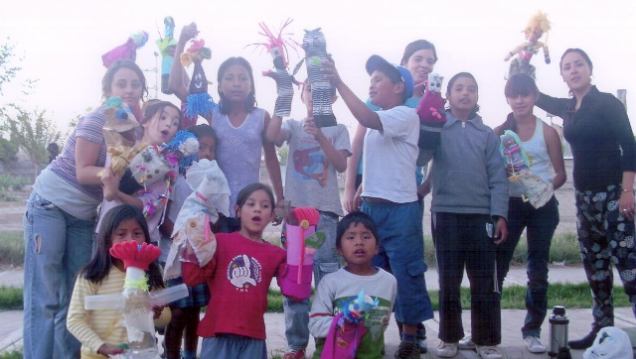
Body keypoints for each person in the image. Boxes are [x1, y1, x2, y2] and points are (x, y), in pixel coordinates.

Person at [23, 59, 147, 359]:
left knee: (74, 299)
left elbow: (130, 183)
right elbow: (82, 171)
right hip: (49, 206)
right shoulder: (96, 120)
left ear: (143, 89)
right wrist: (107, 177)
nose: (129, 90)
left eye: (135, 84)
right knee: (46, 298)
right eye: (121, 84)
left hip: (82, 217)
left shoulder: (133, 132)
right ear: (108, 90)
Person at [322, 54, 430, 359]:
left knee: (406, 275)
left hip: (401, 211)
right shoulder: (378, 120)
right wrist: (358, 190)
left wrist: (339, 81)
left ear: (398, 87)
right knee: (372, 274)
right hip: (371, 209)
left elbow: (367, 118)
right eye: (370, 80)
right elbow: (371, 158)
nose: (372, 84)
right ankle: (372, 337)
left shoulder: (404, 116)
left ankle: (409, 338)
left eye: (378, 80)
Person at [535, 48, 636, 350]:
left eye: (579, 64)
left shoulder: (607, 103)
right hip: (584, 200)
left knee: (629, 268)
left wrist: (628, 191)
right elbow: (537, 97)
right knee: (596, 268)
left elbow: (630, 145)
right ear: (563, 75)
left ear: (590, 69)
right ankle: (602, 330)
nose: (573, 70)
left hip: (614, 197)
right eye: (567, 67)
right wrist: (521, 65)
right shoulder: (568, 108)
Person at [422, 72, 509, 359]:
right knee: (448, 280)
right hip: (445, 214)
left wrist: (500, 215)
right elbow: (422, 158)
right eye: (458, 88)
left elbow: (498, 177)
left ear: (477, 97)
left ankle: (486, 339)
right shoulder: (438, 125)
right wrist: (428, 120)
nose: (465, 93)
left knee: (484, 281)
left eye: (471, 89)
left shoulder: (486, 135)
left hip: (481, 217)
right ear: (447, 94)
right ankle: (449, 338)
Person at [170, 23, 284, 229]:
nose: (237, 83)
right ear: (220, 85)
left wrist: (280, 198)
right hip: (215, 207)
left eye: (243, 78)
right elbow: (176, 87)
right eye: (229, 78)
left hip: (250, 207)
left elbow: (271, 158)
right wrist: (181, 43)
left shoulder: (261, 116)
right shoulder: (213, 113)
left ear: (251, 85)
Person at [271, 81, 351, 359]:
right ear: (301, 95)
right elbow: (271, 136)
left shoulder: (338, 130)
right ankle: (296, 345)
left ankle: (327, 342)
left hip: (325, 220)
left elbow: (341, 165)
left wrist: (320, 136)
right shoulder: (293, 126)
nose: (314, 96)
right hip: (294, 222)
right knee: (296, 281)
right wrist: (282, 93)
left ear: (332, 97)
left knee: (327, 281)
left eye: (321, 92)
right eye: (308, 90)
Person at [182, 183, 304, 359]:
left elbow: (295, 292)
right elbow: (192, 278)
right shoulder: (219, 242)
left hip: (253, 338)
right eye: (251, 204)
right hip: (217, 335)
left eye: (264, 206)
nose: (257, 210)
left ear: (271, 215)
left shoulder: (276, 254)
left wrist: (297, 234)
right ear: (237, 210)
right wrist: (191, 250)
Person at [491, 73, 566, 353]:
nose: (519, 100)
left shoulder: (547, 131)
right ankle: (487, 329)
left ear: (535, 97)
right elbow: (492, 172)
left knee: (537, 270)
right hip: (509, 206)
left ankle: (532, 330)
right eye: (513, 95)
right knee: (497, 268)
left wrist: (544, 188)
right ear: (507, 98)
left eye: (525, 94)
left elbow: (560, 174)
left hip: (541, 207)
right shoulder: (499, 132)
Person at [67, 204, 164, 359]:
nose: (130, 240)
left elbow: (163, 319)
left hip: (139, 353)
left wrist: (156, 313)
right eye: (121, 234)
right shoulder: (91, 275)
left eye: (137, 233)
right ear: (107, 240)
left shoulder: (151, 274)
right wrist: (101, 347)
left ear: (146, 237)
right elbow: (75, 320)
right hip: (98, 355)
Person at [159, 124, 218, 359]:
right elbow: (163, 219)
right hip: (173, 258)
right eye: (202, 147)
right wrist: (183, 241)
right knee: (178, 312)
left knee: (193, 310)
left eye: (212, 149)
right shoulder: (174, 177)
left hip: (197, 258)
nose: (207, 153)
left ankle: (190, 354)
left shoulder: (207, 182)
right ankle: (171, 355)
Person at [309, 211, 397, 358]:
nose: (359, 242)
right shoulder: (330, 282)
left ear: (376, 247)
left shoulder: (389, 282)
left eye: (366, 237)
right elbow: (315, 326)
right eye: (350, 237)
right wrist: (344, 320)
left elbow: (382, 326)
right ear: (339, 249)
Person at [97, 100, 181, 246]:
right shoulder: (122, 146)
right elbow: (107, 192)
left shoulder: (171, 165)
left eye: (175, 123)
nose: (169, 124)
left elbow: (150, 206)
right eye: (163, 117)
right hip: (109, 234)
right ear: (145, 122)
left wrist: (116, 192)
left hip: (144, 241)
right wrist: (112, 189)